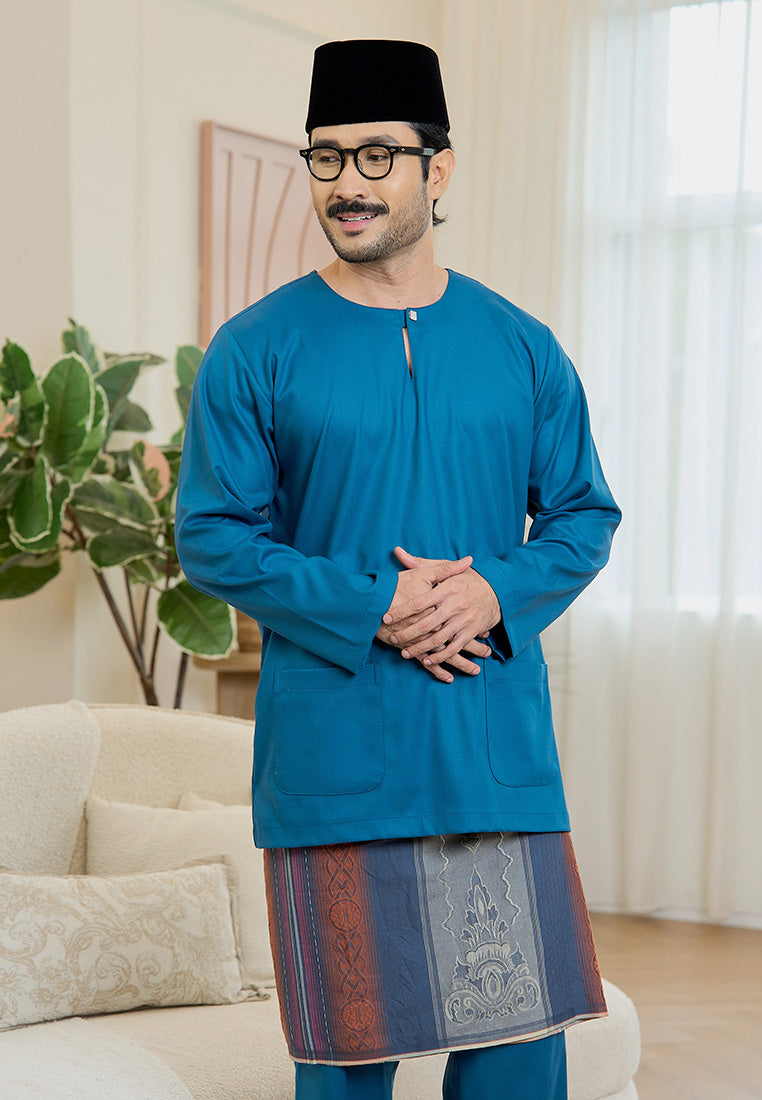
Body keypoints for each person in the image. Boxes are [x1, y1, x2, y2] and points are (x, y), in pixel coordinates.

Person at [176, 38, 621, 1100]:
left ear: (440, 167)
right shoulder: (257, 347)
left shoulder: (522, 345)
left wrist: (492, 590)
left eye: (377, 157)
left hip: (491, 757)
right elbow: (215, 534)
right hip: (337, 763)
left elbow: (582, 515)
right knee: (346, 1065)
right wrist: (375, 602)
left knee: (517, 1060)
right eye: (326, 160)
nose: (348, 185)